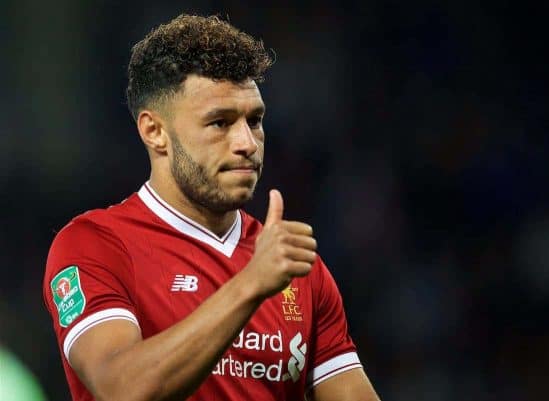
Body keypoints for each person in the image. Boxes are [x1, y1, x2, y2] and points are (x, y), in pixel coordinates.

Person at [43, 14, 380, 401]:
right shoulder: (95, 245)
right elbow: (121, 389)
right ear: (154, 132)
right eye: (220, 123)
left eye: (255, 121)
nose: (247, 143)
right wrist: (251, 284)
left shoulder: (298, 270)